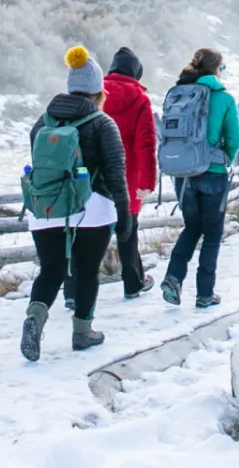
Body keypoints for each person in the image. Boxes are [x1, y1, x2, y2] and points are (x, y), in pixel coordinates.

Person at [19, 47, 129, 361]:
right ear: (98, 90)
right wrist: (124, 214)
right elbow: (115, 172)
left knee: (51, 270)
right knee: (87, 271)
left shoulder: (43, 122)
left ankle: (35, 318)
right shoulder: (103, 123)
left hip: (47, 208)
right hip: (92, 210)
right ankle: (82, 332)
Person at [159, 47, 239, 308]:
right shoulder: (224, 98)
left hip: (182, 173)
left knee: (192, 227)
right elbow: (235, 139)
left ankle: (173, 277)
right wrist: (224, 159)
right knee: (213, 233)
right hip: (212, 172)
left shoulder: (178, 93)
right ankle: (205, 293)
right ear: (217, 69)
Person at [101, 47, 159, 299]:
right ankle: (133, 283)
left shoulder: (95, 93)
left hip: (96, 173)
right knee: (128, 231)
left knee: (89, 229)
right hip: (128, 174)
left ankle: (74, 289)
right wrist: (147, 180)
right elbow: (145, 144)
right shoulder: (139, 99)